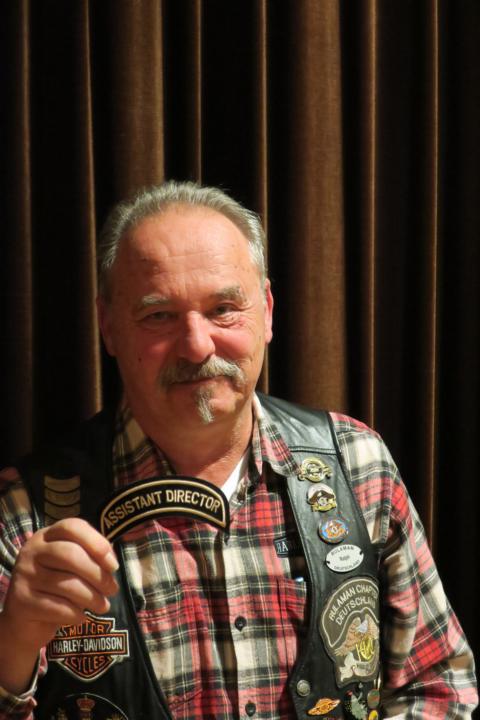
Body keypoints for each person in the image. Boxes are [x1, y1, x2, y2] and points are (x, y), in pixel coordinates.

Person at [0, 181, 476, 720]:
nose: (196, 345)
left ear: (267, 311)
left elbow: (437, 682)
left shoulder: (357, 463)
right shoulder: (31, 508)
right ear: (108, 326)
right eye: (158, 316)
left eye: (224, 309)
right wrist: (12, 642)